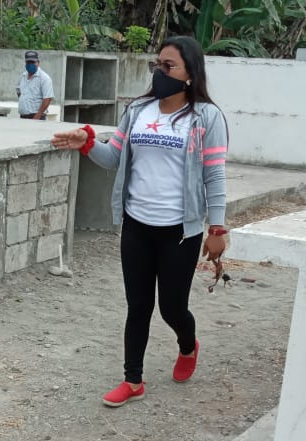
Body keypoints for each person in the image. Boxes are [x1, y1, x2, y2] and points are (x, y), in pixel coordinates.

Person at [51, 36, 229, 407]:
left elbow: (214, 175)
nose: (159, 72)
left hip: (180, 231)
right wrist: (86, 142)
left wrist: (217, 228)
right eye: (157, 64)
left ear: (190, 73)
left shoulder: (206, 117)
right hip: (136, 225)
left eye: (169, 66)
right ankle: (133, 380)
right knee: (138, 306)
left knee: (172, 308)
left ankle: (187, 345)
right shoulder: (138, 110)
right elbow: (113, 157)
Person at [17, 50, 53, 120]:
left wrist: (37, 116)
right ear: (25, 63)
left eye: (33, 62)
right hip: (23, 116)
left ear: (38, 63)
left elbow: (47, 99)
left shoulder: (44, 78)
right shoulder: (23, 76)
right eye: (28, 62)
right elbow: (19, 92)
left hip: (37, 117)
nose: (30, 64)